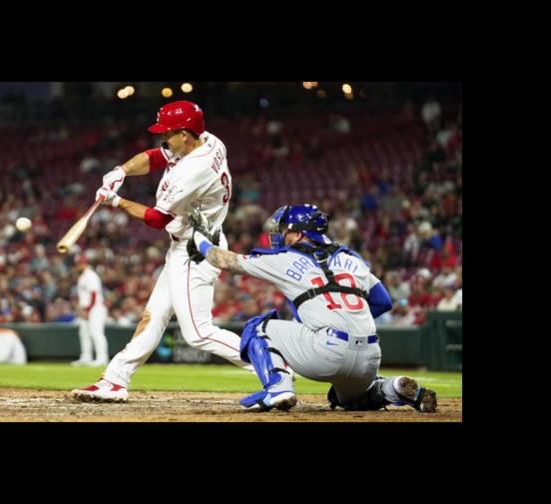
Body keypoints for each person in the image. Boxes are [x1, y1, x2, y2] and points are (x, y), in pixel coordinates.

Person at [71, 100, 252, 402]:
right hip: (189, 243)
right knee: (153, 316)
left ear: (184, 134)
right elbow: (156, 157)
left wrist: (116, 201)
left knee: (198, 333)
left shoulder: (193, 169)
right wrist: (122, 171)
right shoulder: (207, 140)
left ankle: (271, 363)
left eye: (168, 132)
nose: (162, 137)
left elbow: (158, 219)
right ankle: (115, 380)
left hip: (197, 249)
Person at [186, 203, 438, 413]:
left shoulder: (283, 258)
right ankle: (392, 388)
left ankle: (278, 387)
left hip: (326, 352)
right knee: (346, 400)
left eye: (286, 230)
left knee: (258, 327)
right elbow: (383, 302)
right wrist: (345, 318)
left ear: (299, 233)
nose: (282, 235)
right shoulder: (352, 259)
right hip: (370, 357)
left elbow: (225, 260)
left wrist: (199, 239)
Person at [71, 253, 109, 367]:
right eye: (78, 263)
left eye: (81, 263)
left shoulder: (91, 275)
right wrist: (81, 309)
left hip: (95, 308)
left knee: (96, 333)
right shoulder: (82, 276)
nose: (79, 265)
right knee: (84, 334)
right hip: (86, 309)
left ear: (85, 263)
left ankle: (102, 358)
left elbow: (93, 294)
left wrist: (87, 310)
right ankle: (86, 357)